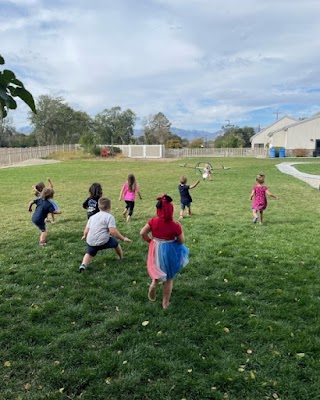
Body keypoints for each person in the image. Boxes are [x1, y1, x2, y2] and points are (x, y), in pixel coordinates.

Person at [140, 194, 189, 309]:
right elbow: (181, 241)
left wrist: (149, 240)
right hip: (169, 250)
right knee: (168, 277)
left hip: (155, 247)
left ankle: (154, 283)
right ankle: (165, 303)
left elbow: (142, 233)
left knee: (157, 267)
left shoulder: (153, 221)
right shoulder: (175, 225)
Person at [79, 197, 132, 272]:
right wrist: (123, 238)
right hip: (103, 240)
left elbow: (87, 229)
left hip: (91, 241)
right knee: (116, 244)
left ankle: (83, 265)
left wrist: (84, 235)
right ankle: (121, 257)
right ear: (110, 207)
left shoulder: (92, 217)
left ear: (98, 206)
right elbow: (113, 231)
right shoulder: (110, 217)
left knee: (89, 253)